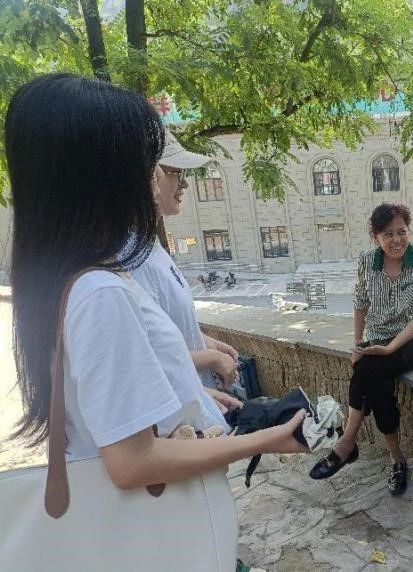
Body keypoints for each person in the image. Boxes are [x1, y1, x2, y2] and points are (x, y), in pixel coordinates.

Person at [7, 73, 307, 546]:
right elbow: (133, 462)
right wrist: (267, 439)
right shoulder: (100, 293)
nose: (157, 177)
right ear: (102, 177)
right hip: (149, 533)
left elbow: (114, 399)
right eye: (146, 162)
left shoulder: (66, 280)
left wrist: (192, 396)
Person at [309, 203, 413, 495]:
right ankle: (396, 458)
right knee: (378, 386)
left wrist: (390, 348)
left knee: (369, 367)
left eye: (401, 231)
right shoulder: (367, 261)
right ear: (376, 237)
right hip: (379, 337)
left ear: (408, 231)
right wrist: (358, 344)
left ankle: (347, 443)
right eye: (387, 234)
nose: (396, 239)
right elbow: (360, 302)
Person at [131, 131, 240, 416]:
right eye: (176, 172)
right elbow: (145, 358)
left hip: (199, 402)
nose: (185, 183)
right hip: (179, 414)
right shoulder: (130, 258)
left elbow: (167, 328)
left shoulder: (149, 245)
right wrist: (211, 359)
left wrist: (205, 342)